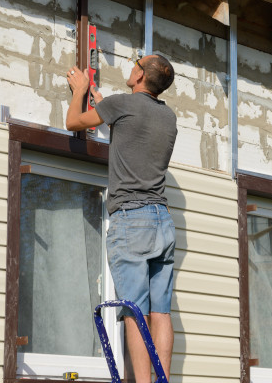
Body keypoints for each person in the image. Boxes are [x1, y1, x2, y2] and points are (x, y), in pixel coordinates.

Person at [65, 54, 178, 382]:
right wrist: (105, 106)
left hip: (132, 220)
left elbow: (73, 122)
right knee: (161, 312)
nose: (131, 65)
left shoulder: (122, 104)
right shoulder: (168, 117)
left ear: (141, 76)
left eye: (136, 64)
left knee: (135, 312)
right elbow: (133, 131)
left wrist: (80, 90)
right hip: (162, 221)